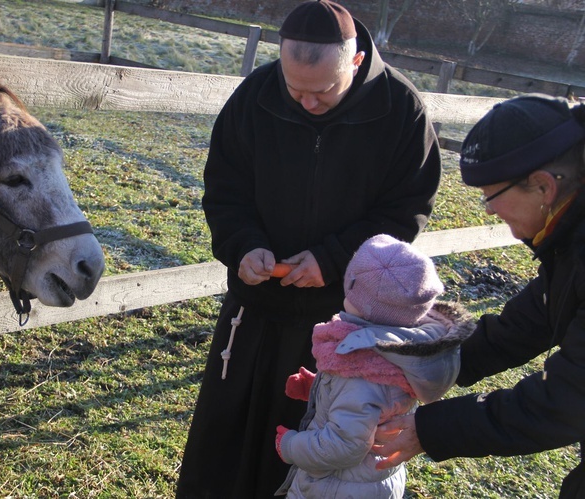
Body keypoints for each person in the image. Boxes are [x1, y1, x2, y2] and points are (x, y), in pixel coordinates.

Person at [176, 1, 442, 496]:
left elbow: (406, 212)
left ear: (356, 62)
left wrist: (332, 260)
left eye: (321, 92)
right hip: (254, 312)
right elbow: (225, 190)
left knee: (317, 438)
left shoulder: (401, 110)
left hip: (344, 319)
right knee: (228, 441)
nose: (306, 103)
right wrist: (244, 247)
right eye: (293, 88)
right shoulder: (256, 94)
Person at [372, 94, 585, 498]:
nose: (487, 212)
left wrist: (429, 430)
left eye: (492, 196)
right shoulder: (568, 237)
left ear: (543, 186)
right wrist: (397, 365)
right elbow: (515, 331)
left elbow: (568, 399)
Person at [274, 234, 474, 498]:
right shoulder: (399, 349)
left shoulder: (361, 369)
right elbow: (371, 406)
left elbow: (344, 445)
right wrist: (320, 387)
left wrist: (290, 445)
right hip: (369, 481)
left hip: (337, 487)